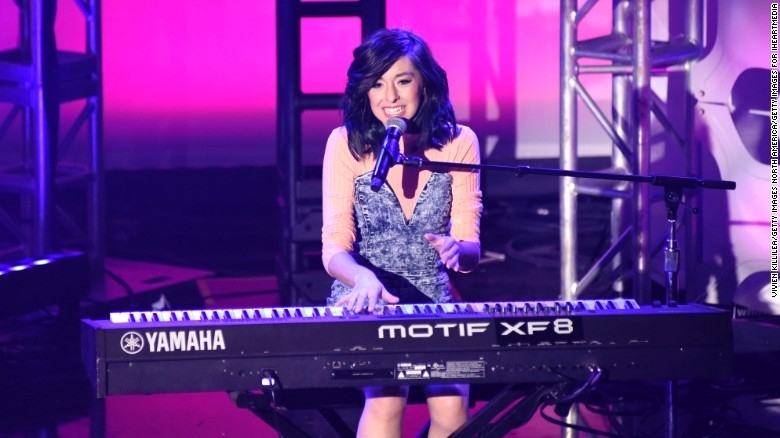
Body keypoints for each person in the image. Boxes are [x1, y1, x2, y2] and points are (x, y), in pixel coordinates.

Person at [321, 28, 483, 438]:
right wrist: (362, 278)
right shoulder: (345, 144)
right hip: (368, 295)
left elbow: (471, 251)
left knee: (452, 405)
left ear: (424, 83)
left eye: (402, 80)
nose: (389, 96)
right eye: (377, 84)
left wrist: (457, 251)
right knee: (386, 399)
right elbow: (334, 248)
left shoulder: (460, 142)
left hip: (434, 298)